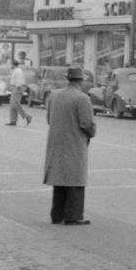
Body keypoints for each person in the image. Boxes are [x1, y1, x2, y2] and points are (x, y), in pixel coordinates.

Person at [44, 67, 97, 225]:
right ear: (80, 81)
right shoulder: (82, 98)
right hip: (74, 142)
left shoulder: (54, 95)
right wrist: (92, 132)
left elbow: (49, 119)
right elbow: (86, 123)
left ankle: (57, 214)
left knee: (59, 178)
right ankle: (73, 216)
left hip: (56, 142)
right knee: (75, 179)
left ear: (67, 78)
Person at [6, 54, 33, 126]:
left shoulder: (18, 71)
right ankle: (13, 120)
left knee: (15, 104)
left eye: (11, 64)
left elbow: (19, 80)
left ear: (13, 64)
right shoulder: (15, 70)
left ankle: (27, 116)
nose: (10, 66)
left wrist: (17, 87)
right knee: (12, 105)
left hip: (17, 88)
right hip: (14, 88)